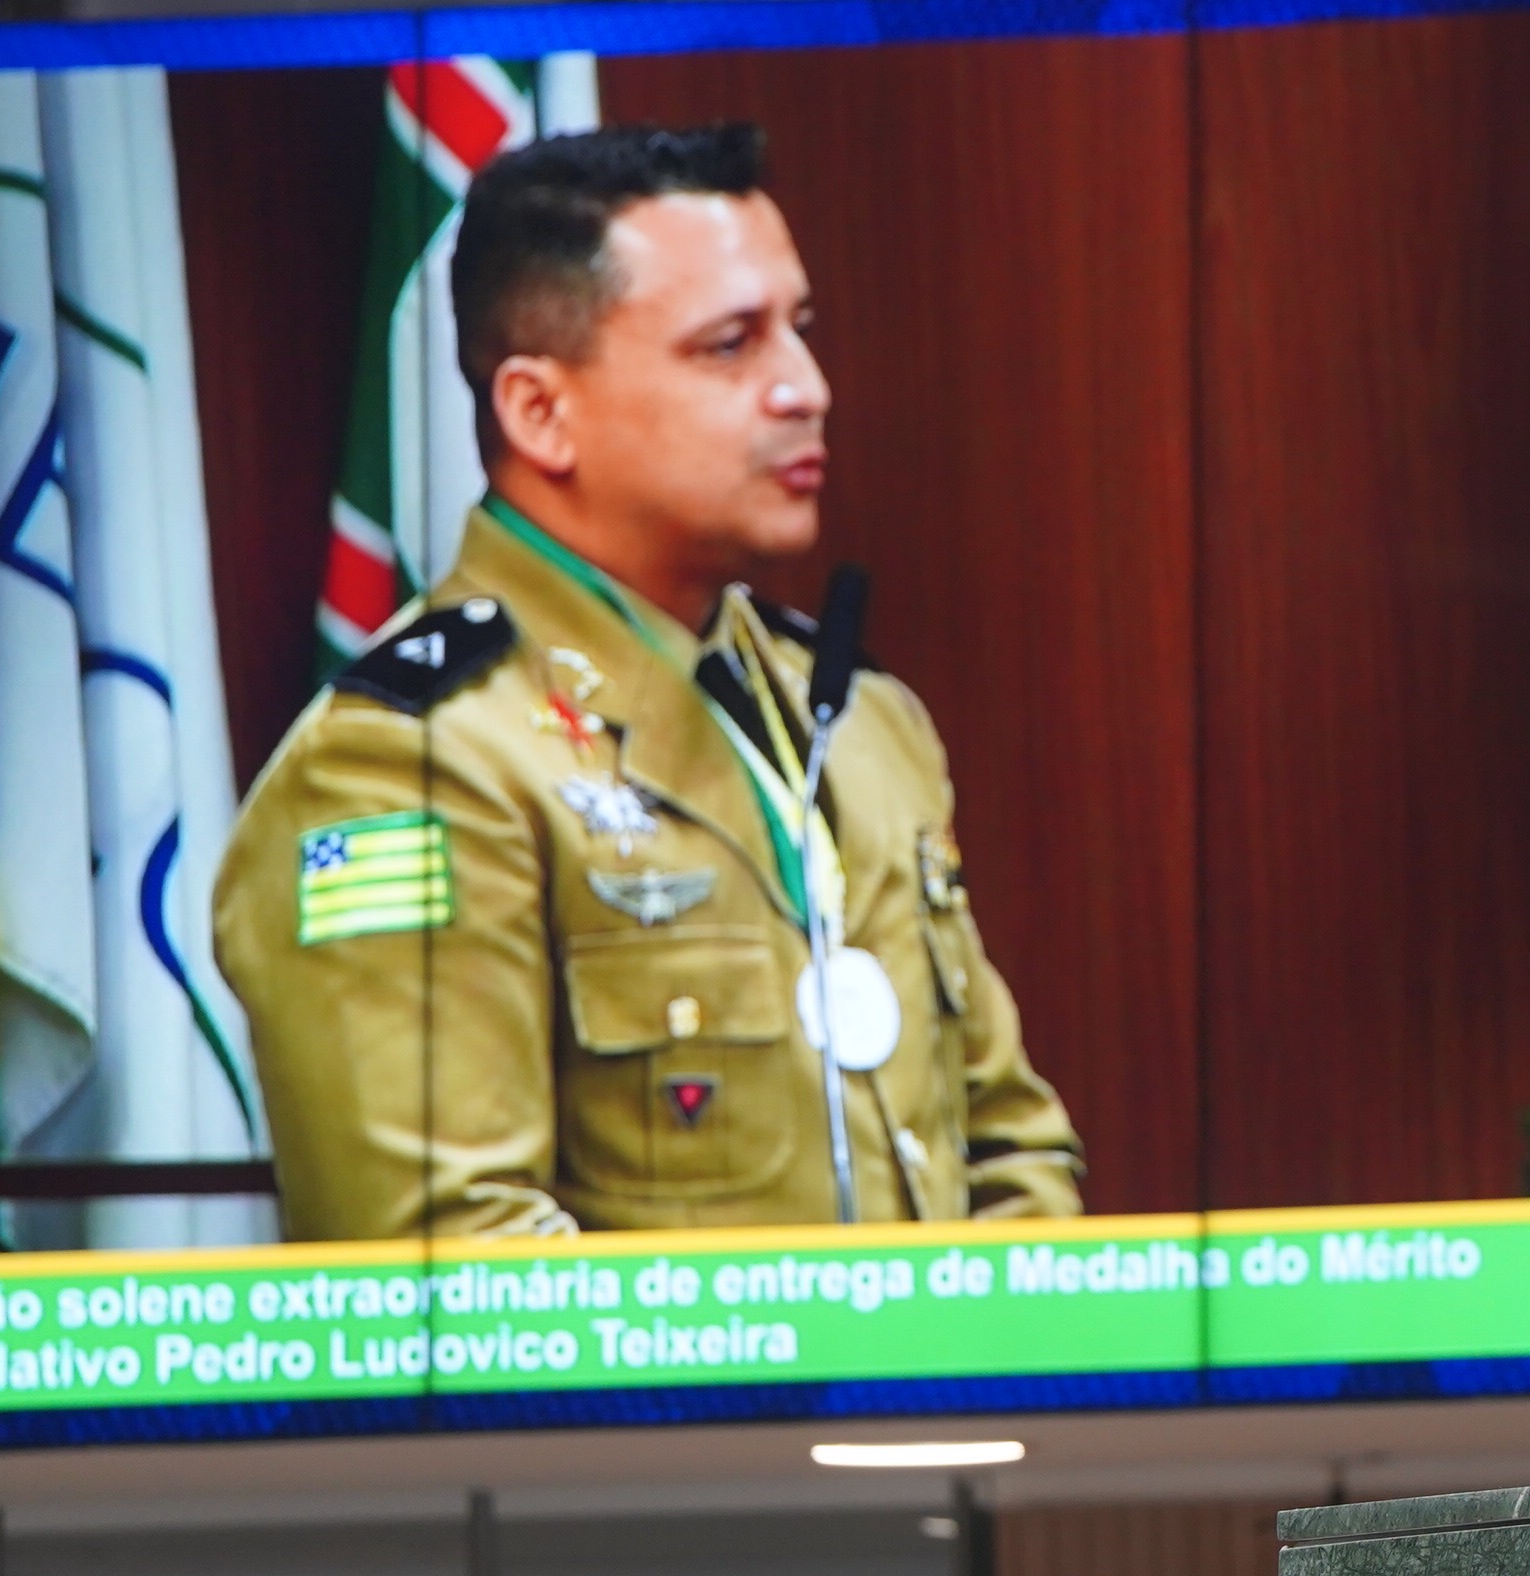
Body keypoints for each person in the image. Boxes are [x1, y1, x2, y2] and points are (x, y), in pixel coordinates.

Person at [214, 124, 1085, 1238]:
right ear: (540, 411)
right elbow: (451, 1258)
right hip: (662, 1369)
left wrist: (972, 1345)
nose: (805, 388)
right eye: (730, 345)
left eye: (800, 330)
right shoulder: (411, 760)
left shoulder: (860, 716)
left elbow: (1013, 1148)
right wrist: (830, 1348)